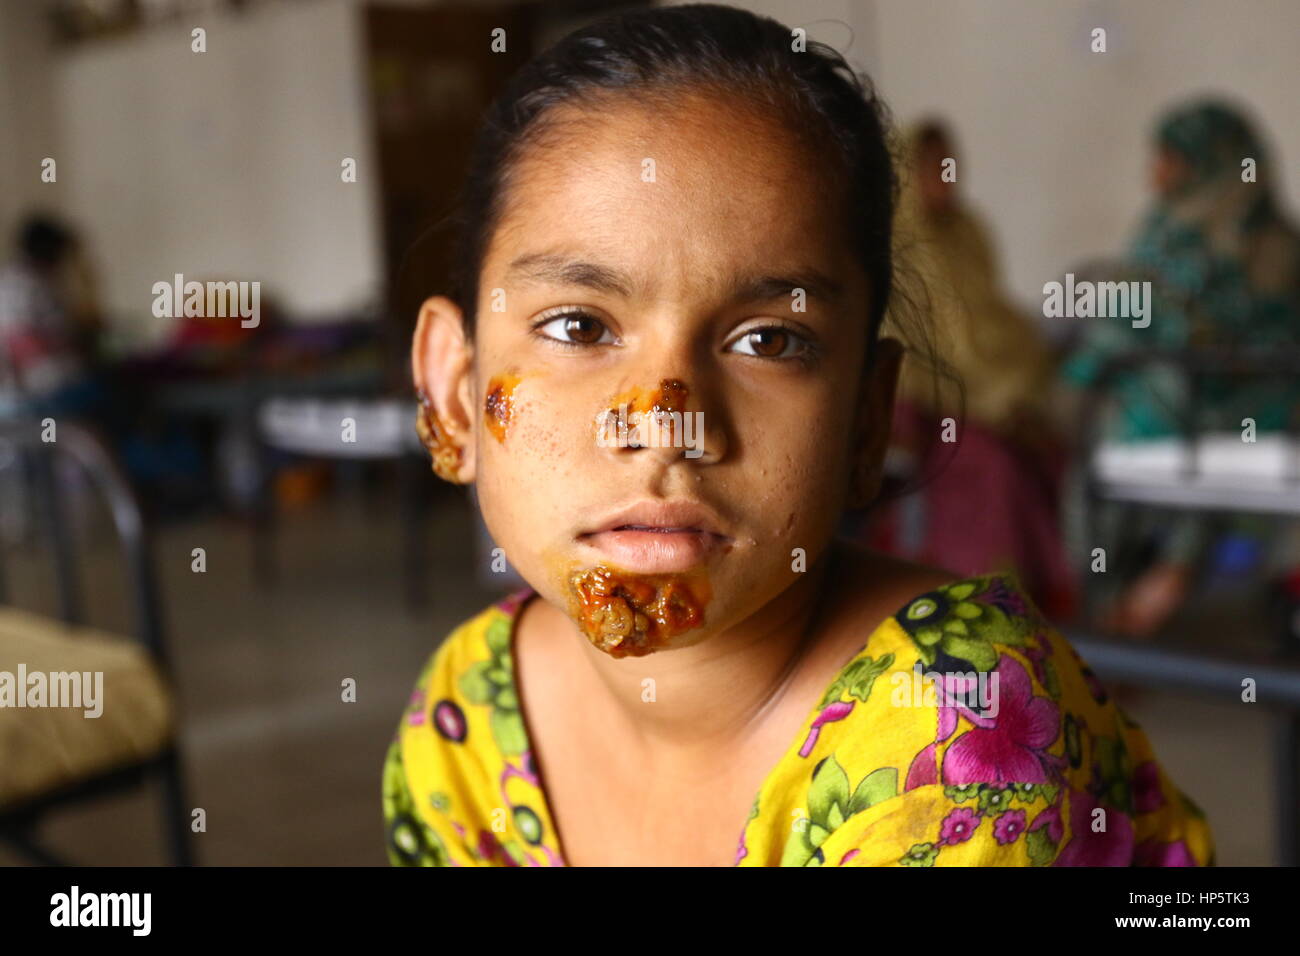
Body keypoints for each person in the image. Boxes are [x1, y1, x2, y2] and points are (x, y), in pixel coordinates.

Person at [384, 4, 1213, 867]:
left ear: (864, 419)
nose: (666, 424)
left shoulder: (956, 732)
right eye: (579, 327)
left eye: (768, 340)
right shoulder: (467, 717)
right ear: (453, 389)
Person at [1063, 99, 1300, 638]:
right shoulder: (1162, 229)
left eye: (1170, 158)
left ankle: (1162, 583)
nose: (1157, 173)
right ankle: (1111, 603)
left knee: (1175, 423)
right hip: (1162, 399)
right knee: (1115, 430)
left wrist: (1186, 334)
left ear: (1210, 161)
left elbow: (1268, 339)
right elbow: (1124, 311)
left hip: (1248, 404)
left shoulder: (1272, 244)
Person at [866, 120, 1076, 621]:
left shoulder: (968, 231)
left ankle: (1044, 611)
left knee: (1049, 457)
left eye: (950, 165)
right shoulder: (894, 243)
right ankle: (984, 609)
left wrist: (1011, 392)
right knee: (993, 465)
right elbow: (904, 346)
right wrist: (982, 398)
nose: (945, 179)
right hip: (928, 406)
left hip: (993, 396)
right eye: (932, 168)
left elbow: (992, 321)